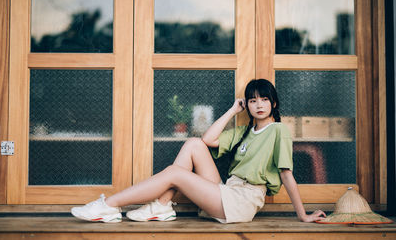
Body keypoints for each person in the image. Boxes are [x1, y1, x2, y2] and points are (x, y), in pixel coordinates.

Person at [71, 79, 326, 223]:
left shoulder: (278, 131)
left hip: (242, 202)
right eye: (252, 100)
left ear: (274, 103)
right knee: (193, 143)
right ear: (246, 104)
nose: (259, 105)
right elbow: (208, 138)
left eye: (264, 99)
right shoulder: (244, 131)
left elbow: (286, 175)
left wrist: (303, 215)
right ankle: (161, 205)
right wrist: (232, 111)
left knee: (174, 172)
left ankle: (110, 205)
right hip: (227, 191)